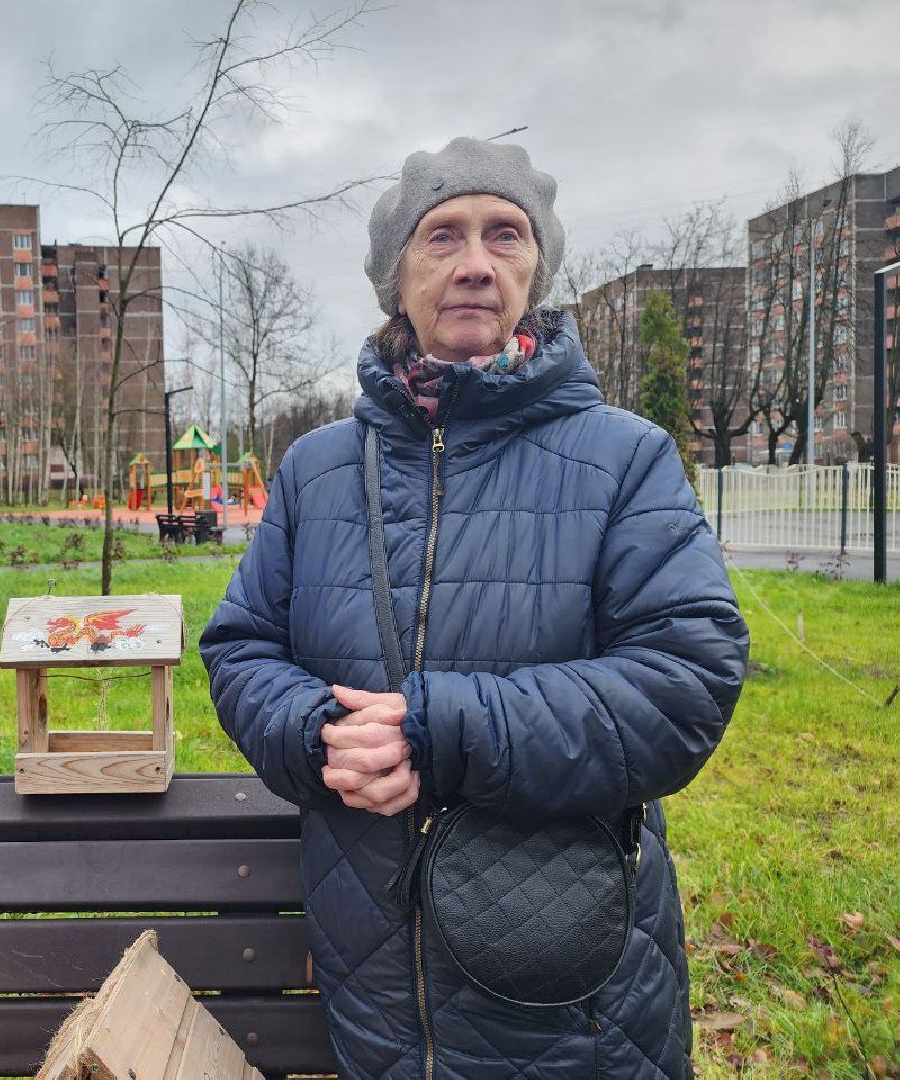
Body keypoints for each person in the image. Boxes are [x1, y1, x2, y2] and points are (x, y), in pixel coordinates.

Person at [199, 137, 748, 1079]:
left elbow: (684, 682)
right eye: (443, 236)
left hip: (571, 988)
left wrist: (440, 731)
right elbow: (242, 646)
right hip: (372, 973)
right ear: (396, 277)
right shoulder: (317, 471)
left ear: (535, 268)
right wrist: (318, 733)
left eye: (505, 234)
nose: (476, 263)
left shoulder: (625, 459)